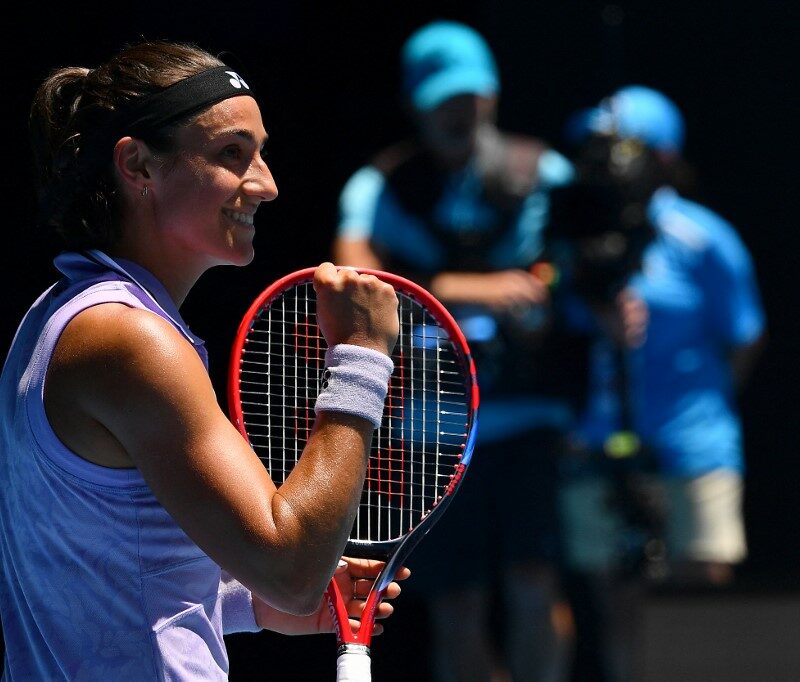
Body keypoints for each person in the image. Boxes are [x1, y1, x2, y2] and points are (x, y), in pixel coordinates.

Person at [0, 39, 411, 680]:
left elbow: (100, 571)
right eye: (231, 154)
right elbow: (294, 570)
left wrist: (247, 602)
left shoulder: (57, 316)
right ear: (138, 165)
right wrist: (361, 356)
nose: (267, 185)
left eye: (262, 153)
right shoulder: (129, 341)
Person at [332, 19, 582, 682]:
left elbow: (583, 270)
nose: (458, 113)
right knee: (457, 601)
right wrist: (477, 291)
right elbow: (352, 280)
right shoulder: (379, 186)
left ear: (491, 97)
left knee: (535, 581)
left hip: (530, 417)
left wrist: (553, 290)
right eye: (443, 99)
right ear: (415, 104)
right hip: (434, 428)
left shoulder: (545, 172)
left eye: (469, 97)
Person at [551, 85, 767, 680]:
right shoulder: (569, 236)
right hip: (598, 440)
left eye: (622, 150)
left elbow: (745, 335)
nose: (604, 165)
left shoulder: (705, 238)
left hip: (692, 442)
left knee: (700, 590)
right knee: (619, 602)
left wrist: (702, 408)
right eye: (593, 150)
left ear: (663, 158)